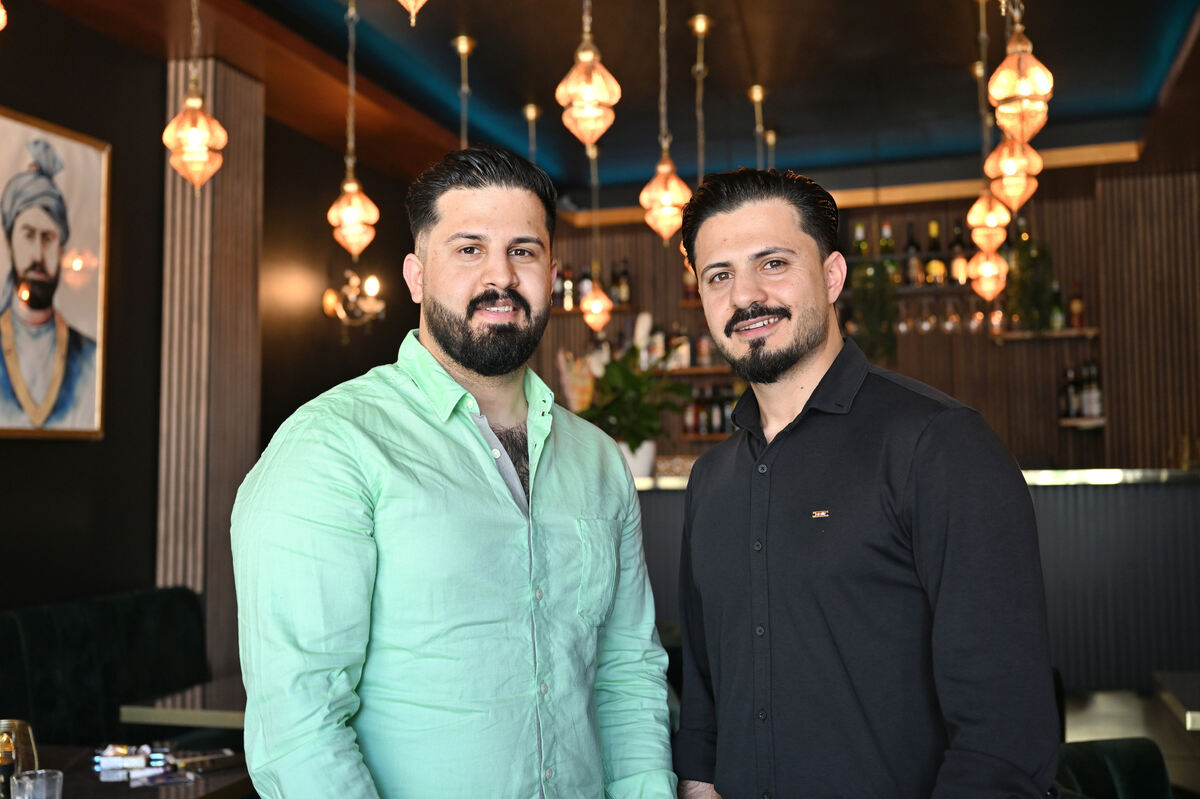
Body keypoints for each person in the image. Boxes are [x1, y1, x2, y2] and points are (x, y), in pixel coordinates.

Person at [232, 147, 675, 798]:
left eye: (523, 251)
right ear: (415, 276)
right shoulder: (331, 446)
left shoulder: (598, 459)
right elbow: (300, 727)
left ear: (552, 274)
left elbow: (626, 671)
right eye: (469, 249)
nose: (501, 276)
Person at [672, 168, 1060, 799]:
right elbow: (705, 685)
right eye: (719, 275)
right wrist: (699, 784)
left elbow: (1005, 728)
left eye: (772, 263)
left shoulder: (938, 445)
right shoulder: (710, 479)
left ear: (832, 276)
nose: (745, 296)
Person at [0, 138, 96, 430]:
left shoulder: (88, 356)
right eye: (28, 235)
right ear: (10, 243)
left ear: (62, 249)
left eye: (48, 238)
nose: (38, 255)